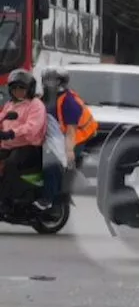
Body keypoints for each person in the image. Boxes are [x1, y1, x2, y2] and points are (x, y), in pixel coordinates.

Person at [37, 66, 97, 209]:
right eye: (47, 80)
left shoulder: (69, 102)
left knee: (51, 164)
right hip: (58, 137)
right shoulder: (45, 98)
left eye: (53, 80)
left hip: (77, 138)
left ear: (61, 82)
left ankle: (48, 199)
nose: (48, 83)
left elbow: (71, 131)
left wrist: (68, 152)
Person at [0, 70, 48, 210]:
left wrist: (11, 133)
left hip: (28, 147)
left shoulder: (35, 105)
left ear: (29, 89)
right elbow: (2, 117)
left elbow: (32, 127)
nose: (18, 92)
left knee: (10, 164)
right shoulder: (11, 104)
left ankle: (5, 202)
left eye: (22, 88)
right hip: (9, 146)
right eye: (15, 88)